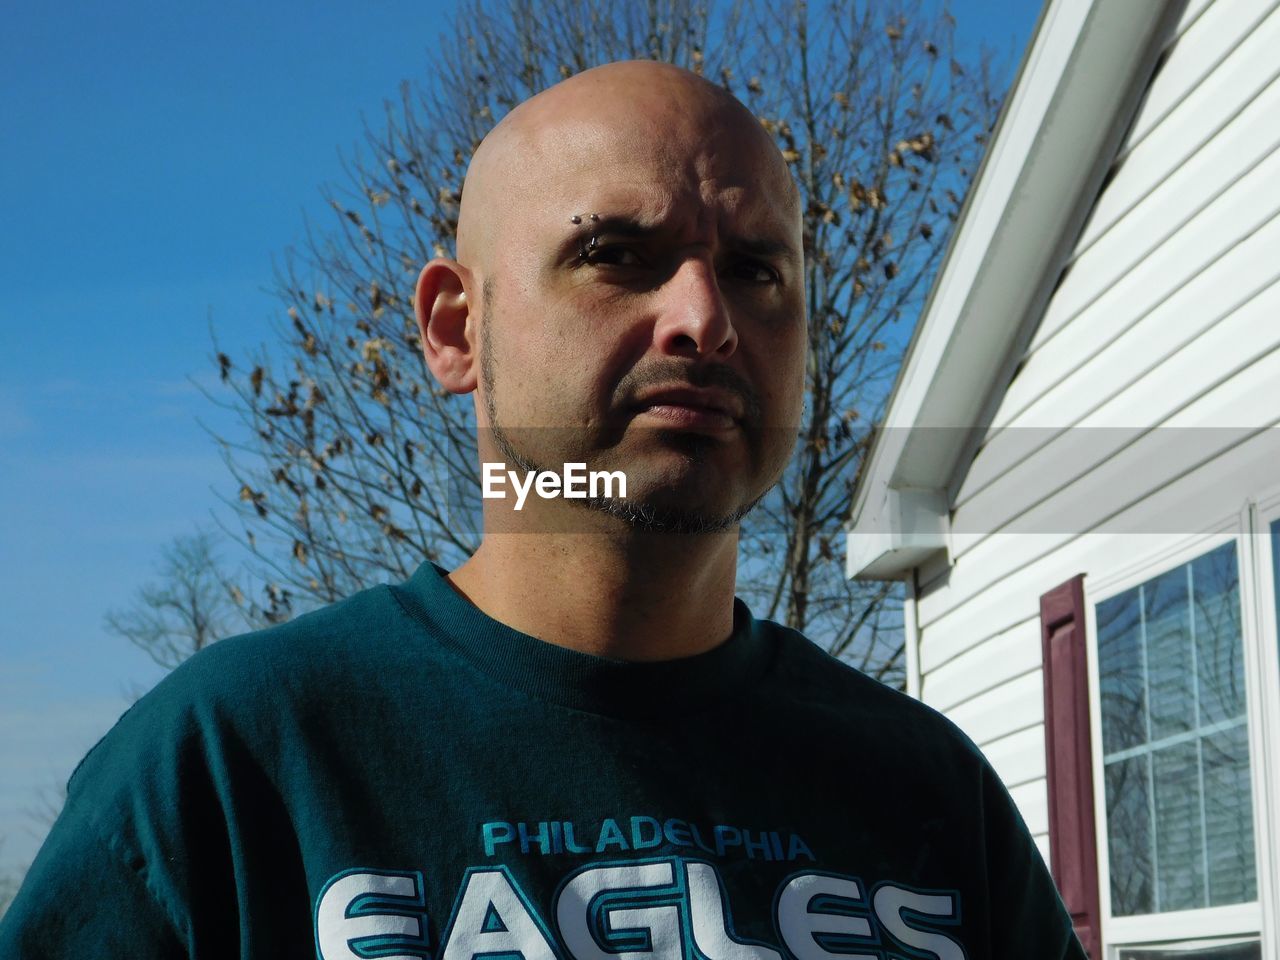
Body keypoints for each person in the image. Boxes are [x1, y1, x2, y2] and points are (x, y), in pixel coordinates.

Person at [0, 60, 1085, 959]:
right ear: (454, 329)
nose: (704, 319)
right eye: (614, 256)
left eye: (757, 272)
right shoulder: (239, 766)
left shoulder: (926, 796)